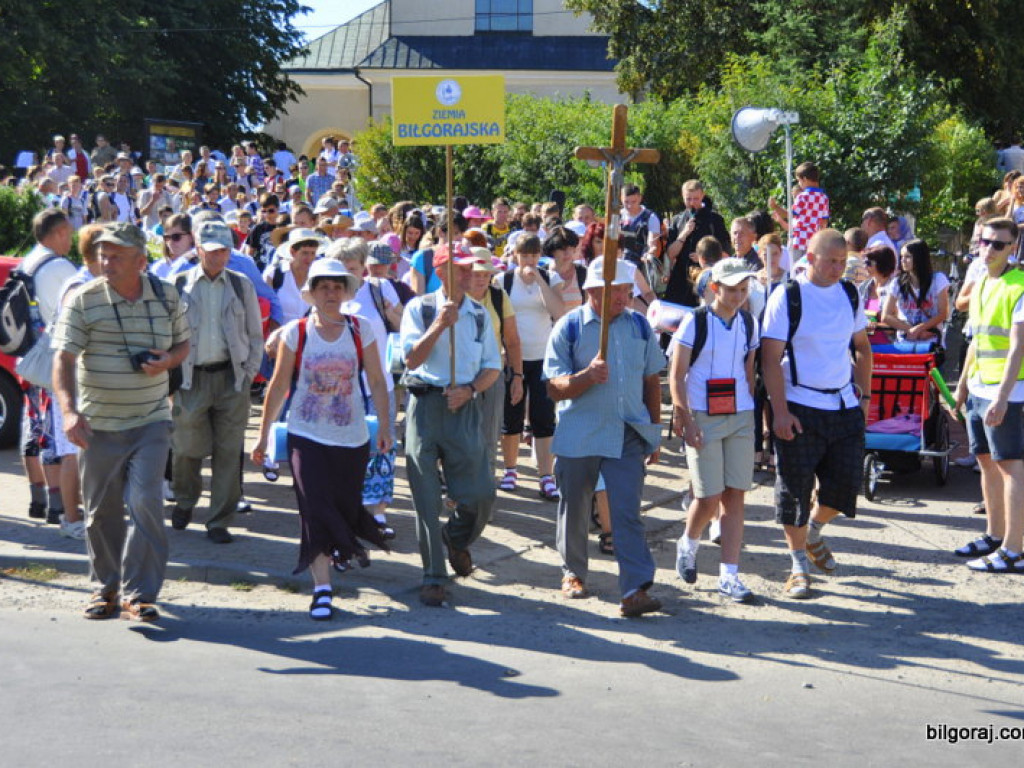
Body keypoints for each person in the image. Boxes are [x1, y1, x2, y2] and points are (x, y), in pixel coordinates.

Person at [52, 222, 191, 621]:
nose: (106, 262)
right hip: (98, 424)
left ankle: (140, 593)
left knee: (145, 501)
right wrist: (69, 411)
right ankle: (106, 588)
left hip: (151, 420)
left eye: (116, 256)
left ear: (140, 261)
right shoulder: (84, 299)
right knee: (101, 512)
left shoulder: (166, 296)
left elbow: (183, 343)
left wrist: (169, 360)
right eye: (102, 255)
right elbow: (63, 358)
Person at [252, 259, 392, 620]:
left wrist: (386, 427)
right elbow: (278, 386)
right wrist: (262, 436)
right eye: (323, 287)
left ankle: (340, 545)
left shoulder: (361, 329)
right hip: (305, 433)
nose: (331, 293)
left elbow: (377, 380)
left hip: (352, 436)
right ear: (311, 293)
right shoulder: (296, 332)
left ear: (346, 291)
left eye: (337, 286)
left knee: (343, 506)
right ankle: (322, 589)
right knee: (314, 508)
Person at [544, 257, 666, 616]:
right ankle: (573, 573)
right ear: (593, 292)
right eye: (617, 291)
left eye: (628, 291)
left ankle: (635, 589)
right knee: (575, 507)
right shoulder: (568, 327)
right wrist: (585, 377)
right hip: (579, 433)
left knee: (627, 511)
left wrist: (654, 431)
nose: (625, 298)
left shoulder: (639, 326)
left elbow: (651, 381)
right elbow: (552, 387)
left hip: (627, 432)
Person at [761, 228, 873, 599]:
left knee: (845, 486)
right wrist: (779, 412)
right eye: (831, 261)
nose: (838, 268)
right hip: (799, 406)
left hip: (843, 405)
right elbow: (770, 359)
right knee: (795, 489)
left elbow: (862, 347)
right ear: (810, 258)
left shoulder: (849, 293)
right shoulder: (788, 296)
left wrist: (865, 398)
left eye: (843, 262)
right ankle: (798, 566)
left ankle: (813, 531)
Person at [399, 243, 501, 607]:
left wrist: (471, 390)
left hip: (463, 409)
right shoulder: (420, 308)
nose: (470, 274)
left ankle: (456, 538)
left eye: (472, 268)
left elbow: (493, 366)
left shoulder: (479, 314)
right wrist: (440, 325)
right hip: (425, 407)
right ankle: (433, 576)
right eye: (461, 268)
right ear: (441, 272)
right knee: (426, 500)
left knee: (481, 494)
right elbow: (411, 359)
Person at [670, 258, 760, 602]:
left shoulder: (749, 322)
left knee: (735, 494)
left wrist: (751, 412)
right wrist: (685, 417)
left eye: (743, 289)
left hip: (740, 415)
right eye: (732, 289)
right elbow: (676, 374)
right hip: (702, 415)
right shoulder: (694, 321)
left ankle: (729, 576)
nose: (738, 296)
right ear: (714, 288)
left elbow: (748, 371)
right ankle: (688, 543)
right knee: (708, 496)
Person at [170, 220, 263, 544]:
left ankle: (219, 520)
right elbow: (166, 334)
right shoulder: (178, 284)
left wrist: (248, 373)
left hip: (231, 379)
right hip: (190, 378)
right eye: (211, 250)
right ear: (198, 250)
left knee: (229, 452)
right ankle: (185, 500)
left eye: (223, 250)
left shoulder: (240, 284)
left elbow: (255, 335)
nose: (217, 256)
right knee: (186, 448)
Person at [953, 217, 1024, 572]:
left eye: (998, 244)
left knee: (1010, 466)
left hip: (1007, 392)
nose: (989, 249)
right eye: (984, 241)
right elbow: (975, 341)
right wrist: (962, 385)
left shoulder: (1019, 285)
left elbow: (1018, 348)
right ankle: (995, 536)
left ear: (1013, 247)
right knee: (984, 459)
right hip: (980, 386)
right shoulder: (982, 282)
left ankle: (1013, 549)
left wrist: (1002, 396)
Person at [19, 209, 79, 526]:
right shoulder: (59, 267)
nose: (72, 239)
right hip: (52, 360)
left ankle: (38, 499)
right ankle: (59, 505)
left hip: (28, 357)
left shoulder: (28, 261)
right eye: (69, 232)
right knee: (55, 433)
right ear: (57, 233)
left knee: (33, 428)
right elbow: (73, 316)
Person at [497, 234, 565, 499]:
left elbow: (559, 312)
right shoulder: (503, 280)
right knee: (511, 415)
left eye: (534, 255)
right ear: (515, 255)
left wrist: (539, 280)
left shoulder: (550, 278)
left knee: (543, 416)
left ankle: (546, 475)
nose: (529, 260)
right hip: (513, 357)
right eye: (524, 255)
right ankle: (510, 469)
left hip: (543, 356)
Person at [664, 180, 730, 308]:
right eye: (688, 199)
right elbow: (670, 254)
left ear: (702, 196)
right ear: (683, 197)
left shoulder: (715, 220)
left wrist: (704, 257)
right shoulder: (677, 220)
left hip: (707, 278)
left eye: (696, 199)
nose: (692, 203)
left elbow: (726, 253)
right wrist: (684, 233)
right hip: (680, 280)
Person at [881, 239, 949, 343]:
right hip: (905, 341)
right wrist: (911, 330)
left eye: (907, 257)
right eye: (901, 257)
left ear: (919, 258)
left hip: (931, 341)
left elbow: (943, 313)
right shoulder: (897, 283)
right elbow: (886, 316)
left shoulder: (938, 280)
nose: (903, 260)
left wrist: (920, 328)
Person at [768, 161, 829, 258]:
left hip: (798, 241)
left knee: (795, 266)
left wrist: (775, 206)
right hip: (814, 243)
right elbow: (824, 222)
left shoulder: (802, 197)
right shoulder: (824, 198)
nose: (799, 184)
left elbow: (789, 215)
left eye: (799, 180)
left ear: (804, 179)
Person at [858, 245, 898, 344]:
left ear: (882, 264)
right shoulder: (863, 287)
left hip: (889, 347)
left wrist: (876, 325)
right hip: (864, 345)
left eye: (868, 263)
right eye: (864, 262)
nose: (865, 267)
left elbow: (897, 326)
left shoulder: (895, 289)